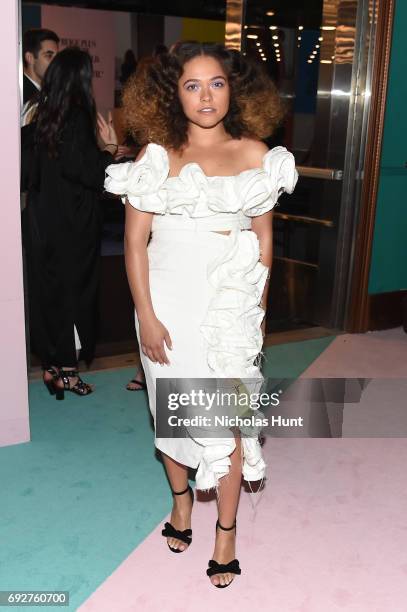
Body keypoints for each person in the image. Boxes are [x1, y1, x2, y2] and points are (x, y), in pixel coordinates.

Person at [104, 41, 298, 587]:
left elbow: (263, 239)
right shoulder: (156, 156)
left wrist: (255, 312)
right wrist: (145, 314)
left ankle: (227, 534)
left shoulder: (258, 154)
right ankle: (182, 500)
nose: (206, 95)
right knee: (176, 414)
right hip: (166, 300)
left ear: (233, 89)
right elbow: (134, 241)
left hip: (228, 302)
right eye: (192, 85)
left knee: (228, 421)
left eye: (216, 83)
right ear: (174, 93)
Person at [21, 46, 118, 399]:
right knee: (74, 295)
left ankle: (51, 367)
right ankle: (68, 373)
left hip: (40, 222)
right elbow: (91, 174)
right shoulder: (76, 118)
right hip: (72, 227)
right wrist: (108, 149)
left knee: (50, 295)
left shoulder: (41, 115)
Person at [22, 28, 59, 124]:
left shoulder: (49, 93)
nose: (56, 63)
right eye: (49, 55)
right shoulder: (19, 94)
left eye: (57, 57)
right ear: (30, 58)